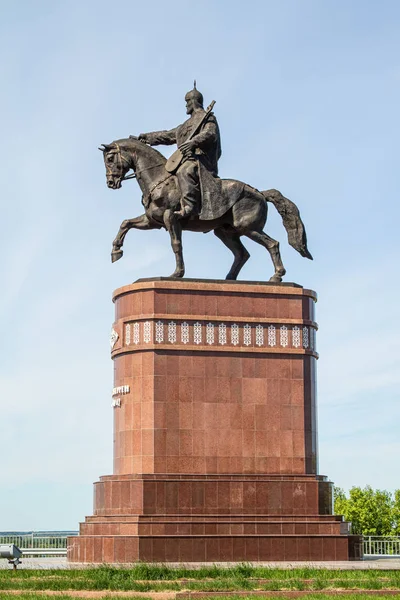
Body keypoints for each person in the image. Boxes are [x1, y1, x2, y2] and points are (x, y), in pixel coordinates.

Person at [138, 83, 221, 218]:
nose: (186, 105)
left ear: (194, 101)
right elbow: (168, 135)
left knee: (185, 170)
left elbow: (210, 134)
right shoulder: (185, 125)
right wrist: (147, 137)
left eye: (187, 101)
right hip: (185, 159)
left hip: (201, 161)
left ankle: (190, 207)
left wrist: (193, 142)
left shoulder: (207, 117)